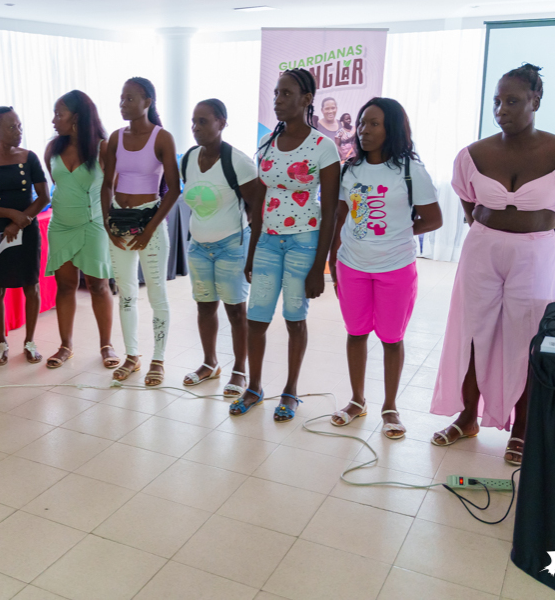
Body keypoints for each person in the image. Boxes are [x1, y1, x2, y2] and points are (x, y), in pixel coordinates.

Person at [430, 64, 555, 465]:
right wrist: (486, 231)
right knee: (473, 331)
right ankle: (468, 416)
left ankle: (521, 427)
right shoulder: (474, 154)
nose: (501, 109)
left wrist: (546, 242)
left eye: (512, 101)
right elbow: (469, 201)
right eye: (497, 101)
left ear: (535, 102)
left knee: (528, 338)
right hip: (483, 250)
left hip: (536, 254)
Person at [328, 98, 443, 439]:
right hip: (353, 265)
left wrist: (399, 231)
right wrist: (334, 259)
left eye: (374, 123)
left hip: (395, 267)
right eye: (362, 122)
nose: (364, 129)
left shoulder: (410, 171)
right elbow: (340, 216)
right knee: (356, 333)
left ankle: (390, 406)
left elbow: (433, 219)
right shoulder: (350, 169)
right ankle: (357, 400)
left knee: (392, 338)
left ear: (391, 128)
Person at [230, 68, 339, 421]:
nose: (278, 100)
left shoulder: (324, 147)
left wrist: (320, 269)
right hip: (267, 242)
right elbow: (258, 205)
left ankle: (290, 391)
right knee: (256, 318)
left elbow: (330, 212)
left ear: (307, 100)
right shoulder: (266, 145)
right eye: (276, 93)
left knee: (295, 318)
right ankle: (255, 386)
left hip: (304, 243)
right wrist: (251, 250)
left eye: (286, 94)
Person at [180, 99, 263, 396]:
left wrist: (250, 255)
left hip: (231, 246)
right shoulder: (188, 159)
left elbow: (259, 209)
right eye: (193, 121)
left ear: (222, 122)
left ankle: (240, 369)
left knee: (235, 311)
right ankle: (209, 363)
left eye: (203, 121)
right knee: (204, 307)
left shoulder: (238, 162)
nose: (196, 128)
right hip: (198, 247)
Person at [101, 77, 181, 386]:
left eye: (130, 98)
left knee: (157, 294)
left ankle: (157, 360)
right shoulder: (115, 138)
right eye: (121, 98)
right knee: (126, 294)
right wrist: (109, 222)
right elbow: (107, 184)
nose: (123, 104)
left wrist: (150, 229)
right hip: (120, 222)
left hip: (151, 221)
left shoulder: (162, 138)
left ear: (147, 101)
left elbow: (174, 189)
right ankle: (132, 357)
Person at [44, 90, 120, 370]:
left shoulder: (103, 147)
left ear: (76, 118)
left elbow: (112, 185)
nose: (54, 120)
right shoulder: (52, 149)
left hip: (93, 225)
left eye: (59, 114)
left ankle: (106, 345)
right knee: (64, 286)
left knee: (98, 286)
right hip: (61, 226)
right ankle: (65, 346)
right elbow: (58, 184)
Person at [0, 106, 50, 365]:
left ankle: (30, 342)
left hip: (27, 229)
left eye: (19, 126)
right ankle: (0, 342)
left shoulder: (29, 157)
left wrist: (22, 220)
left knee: (30, 285)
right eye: (12, 127)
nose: (18, 131)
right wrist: (11, 215)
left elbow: (43, 196)